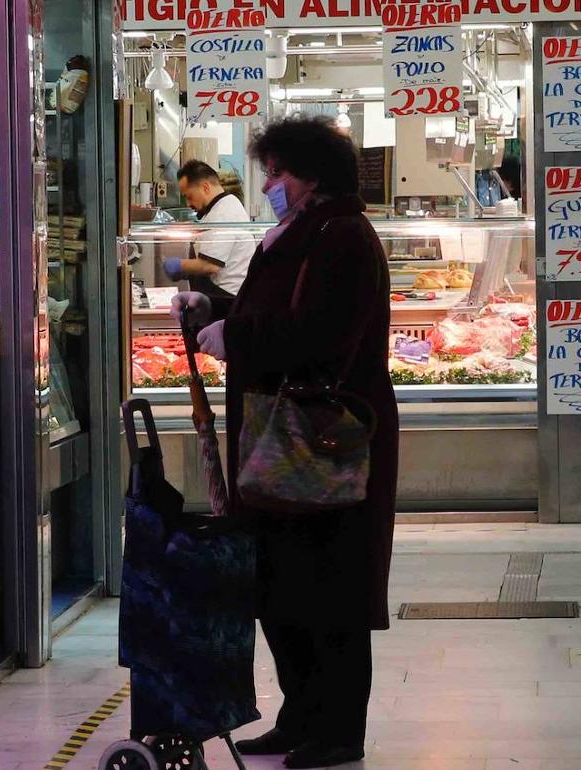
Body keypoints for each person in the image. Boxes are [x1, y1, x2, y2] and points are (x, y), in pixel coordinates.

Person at [171, 116, 398, 768]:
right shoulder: (298, 231)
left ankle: (337, 732)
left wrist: (234, 338)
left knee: (333, 594)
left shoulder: (344, 236)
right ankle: (298, 718)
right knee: (281, 589)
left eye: (278, 172)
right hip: (278, 447)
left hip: (327, 448)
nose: (268, 183)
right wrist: (212, 311)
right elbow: (266, 313)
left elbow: (320, 334)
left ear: (312, 176)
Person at [165, 160, 255, 312]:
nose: (188, 204)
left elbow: (210, 265)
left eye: (190, 196)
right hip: (220, 297)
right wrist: (188, 272)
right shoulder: (219, 209)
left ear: (205, 187)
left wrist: (179, 265)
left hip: (226, 301)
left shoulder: (223, 213)